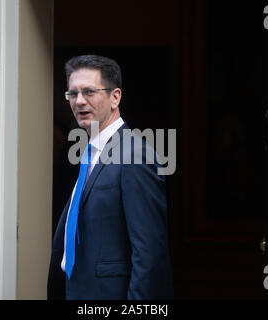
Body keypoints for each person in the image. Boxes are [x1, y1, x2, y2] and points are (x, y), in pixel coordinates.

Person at [47, 54, 174, 300]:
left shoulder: (135, 156)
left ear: (115, 97)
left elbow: (149, 254)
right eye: (73, 94)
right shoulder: (89, 154)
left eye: (89, 92)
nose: (79, 101)